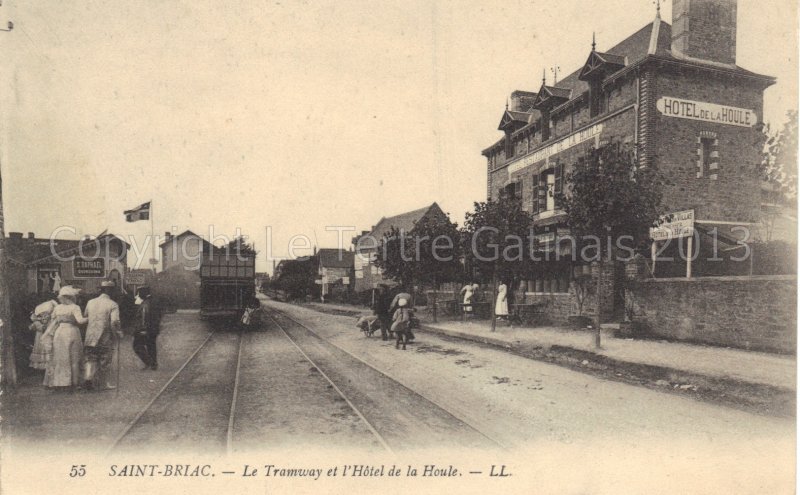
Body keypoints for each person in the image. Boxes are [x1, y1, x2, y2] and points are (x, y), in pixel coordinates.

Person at [42, 286, 87, 391]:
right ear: (71, 297)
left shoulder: (57, 308)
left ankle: (60, 382)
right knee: (74, 358)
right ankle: (74, 383)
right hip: (72, 331)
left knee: (60, 358)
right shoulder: (75, 307)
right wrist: (90, 318)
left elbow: (53, 320)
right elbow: (80, 321)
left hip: (59, 333)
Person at [83, 281, 122, 390]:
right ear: (109, 290)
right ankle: (103, 383)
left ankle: (88, 380)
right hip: (105, 337)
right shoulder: (113, 304)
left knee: (90, 359)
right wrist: (118, 333)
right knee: (105, 360)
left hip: (90, 336)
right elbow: (114, 322)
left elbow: (86, 316)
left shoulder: (90, 302)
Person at [28, 293, 58, 371]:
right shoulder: (45, 306)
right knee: (42, 346)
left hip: (46, 330)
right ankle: (44, 366)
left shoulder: (50, 305)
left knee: (45, 346)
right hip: (43, 331)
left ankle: (46, 366)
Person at [133, 286, 160, 370]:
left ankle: (149, 362)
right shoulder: (154, 302)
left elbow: (144, 317)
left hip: (145, 329)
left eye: (139, 293)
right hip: (153, 329)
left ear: (143, 293)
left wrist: (143, 329)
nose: (138, 295)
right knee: (151, 345)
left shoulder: (145, 304)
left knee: (137, 345)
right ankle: (154, 364)